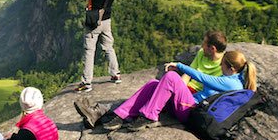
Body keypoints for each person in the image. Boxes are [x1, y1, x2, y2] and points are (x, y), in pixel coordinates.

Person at [99, 50, 257, 132]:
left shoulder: (232, 84)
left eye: (222, 64)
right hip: (189, 107)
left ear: (231, 67)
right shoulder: (233, 80)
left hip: (192, 112)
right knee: (154, 83)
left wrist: (180, 66)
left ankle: (149, 116)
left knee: (171, 77)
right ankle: (121, 115)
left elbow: (202, 78)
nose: (220, 67)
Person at [76, 0, 121, 93]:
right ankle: (115, 74)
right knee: (108, 47)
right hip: (106, 20)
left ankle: (87, 82)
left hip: (93, 21)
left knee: (89, 51)